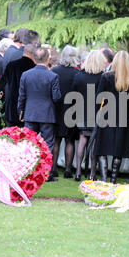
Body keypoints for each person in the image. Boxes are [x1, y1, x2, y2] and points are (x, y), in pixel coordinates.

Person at [94, 51, 129, 184]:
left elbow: (98, 98)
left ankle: (103, 179)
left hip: (106, 115)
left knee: (102, 147)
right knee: (118, 149)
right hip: (123, 117)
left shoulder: (106, 77)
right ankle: (113, 179)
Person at [18, 46, 61, 179]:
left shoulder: (25, 75)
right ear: (48, 59)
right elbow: (56, 97)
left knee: (28, 143)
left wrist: (21, 111)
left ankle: (27, 170)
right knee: (48, 144)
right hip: (47, 114)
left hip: (30, 113)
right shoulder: (53, 76)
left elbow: (22, 96)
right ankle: (45, 174)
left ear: (34, 59)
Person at [71, 50, 107, 181]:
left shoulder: (79, 76)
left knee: (82, 139)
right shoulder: (103, 77)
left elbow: (73, 94)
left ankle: (78, 172)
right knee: (94, 143)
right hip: (97, 112)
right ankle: (92, 173)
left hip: (81, 111)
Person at [51, 45, 80, 179]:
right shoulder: (77, 73)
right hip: (72, 110)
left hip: (57, 109)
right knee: (70, 140)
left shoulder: (55, 71)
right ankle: (68, 169)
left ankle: (54, 167)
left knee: (56, 140)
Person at [0, 44, 36, 127]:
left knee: (12, 134)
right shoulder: (34, 67)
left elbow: (1, 82)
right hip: (28, 108)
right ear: (33, 54)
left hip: (12, 106)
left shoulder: (11, 65)